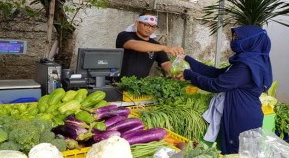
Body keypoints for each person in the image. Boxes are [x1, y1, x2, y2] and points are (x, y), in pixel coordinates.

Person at [175, 25, 273, 154]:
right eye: (235, 37)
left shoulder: (245, 67)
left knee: (235, 153)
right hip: (240, 112)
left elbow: (216, 85)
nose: (234, 40)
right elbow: (214, 72)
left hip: (241, 118)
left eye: (239, 38)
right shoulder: (248, 61)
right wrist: (188, 59)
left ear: (251, 41)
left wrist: (189, 75)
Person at [116, 13, 184, 78]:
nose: (149, 29)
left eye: (153, 26)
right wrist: (165, 47)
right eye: (146, 25)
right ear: (137, 23)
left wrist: (175, 71)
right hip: (118, 83)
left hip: (139, 85)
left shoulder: (156, 45)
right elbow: (134, 45)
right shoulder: (124, 36)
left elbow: (165, 63)